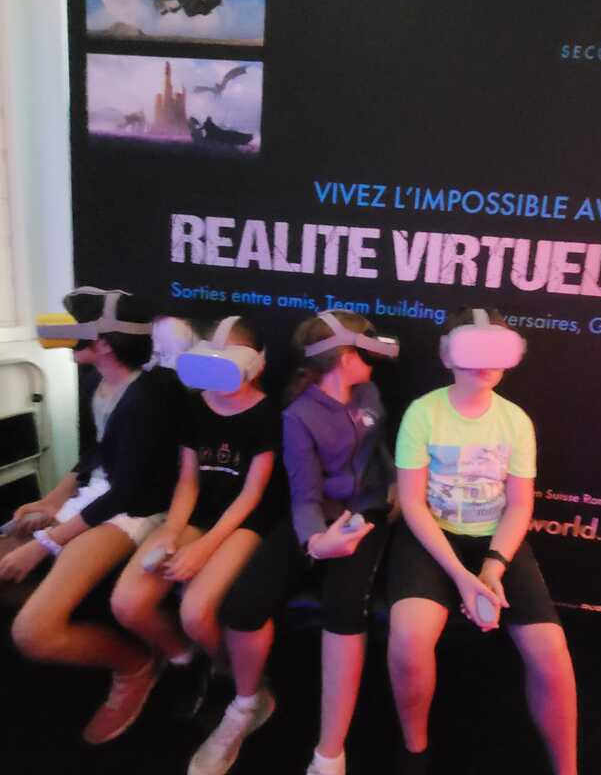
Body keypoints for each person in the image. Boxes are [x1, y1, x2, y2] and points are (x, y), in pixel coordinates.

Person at [188, 310, 399, 775]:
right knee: (243, 606)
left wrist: (395, 488)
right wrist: (316, 542)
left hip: (365, 514)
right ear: (345, 357)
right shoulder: (298, 416)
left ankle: (329, 753)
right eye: (365, 348)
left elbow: (378, 450)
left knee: (344, 609)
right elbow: (305, 496)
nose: (373, 357)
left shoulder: (370, 393)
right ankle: (246, 704)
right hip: (317, 517)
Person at [387, 308, 578, 775]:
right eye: (472, 348)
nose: (484, 361)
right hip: (431, 540)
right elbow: (411, 503)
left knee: (552, 652)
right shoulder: (422, 413)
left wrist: (492, 566)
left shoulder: (515, 421)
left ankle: (567, 767)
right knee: (409, 639)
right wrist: (460, 575)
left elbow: (519, 504)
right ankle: (415, 750)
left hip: (497, 541)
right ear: (447, 355)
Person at [0, 287, 186, 744]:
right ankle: (78, 627)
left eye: (77, 327)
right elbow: (95, 454)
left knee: (32, 633)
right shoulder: (94, 383)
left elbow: (127, 492)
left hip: (132, 512)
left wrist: (48, 541)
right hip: (95, 498)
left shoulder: (149, 398)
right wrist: (52, 501)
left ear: (102, 342)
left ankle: (134, 665)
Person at [109, 315, 282, 719]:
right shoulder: (194, 405)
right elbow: (189, 480)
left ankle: (228, 670)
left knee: (195, 612)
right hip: (195, 514)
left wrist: (204, 548)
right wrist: (172, 532)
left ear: (256, 363)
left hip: (244, 521)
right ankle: (185, 659)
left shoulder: (267, 415)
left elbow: (252, 495)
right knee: (127, 603)